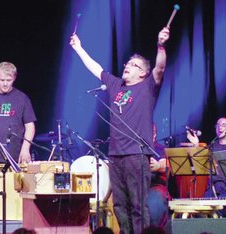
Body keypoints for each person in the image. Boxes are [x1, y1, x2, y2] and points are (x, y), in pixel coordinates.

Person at [70, 26, 170, 234]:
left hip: (136, 154)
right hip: (115, 155)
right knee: (119, 206)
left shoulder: (147, 87)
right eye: (127, 63)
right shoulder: (116, 86)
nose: (127, 66)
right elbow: (96, 69)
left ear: (142, 73)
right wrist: (79, 48)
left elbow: (159, 69)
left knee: (137, 205)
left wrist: (161, 46)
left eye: (133, 65)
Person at [187, 117, 226, 201]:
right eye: (218, 125)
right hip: (213, 190)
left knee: (215, 208)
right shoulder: (212, 147)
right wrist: (195, 145)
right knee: (199, 210)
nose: (220, 127)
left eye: (224, 125)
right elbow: (199, 166)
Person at [148, 125, 169, 228]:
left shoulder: (160, 149)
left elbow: (165, 163)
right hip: (137, 187)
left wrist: (157, 165)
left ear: (155, 134)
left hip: (155, 187)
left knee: (154, 201)